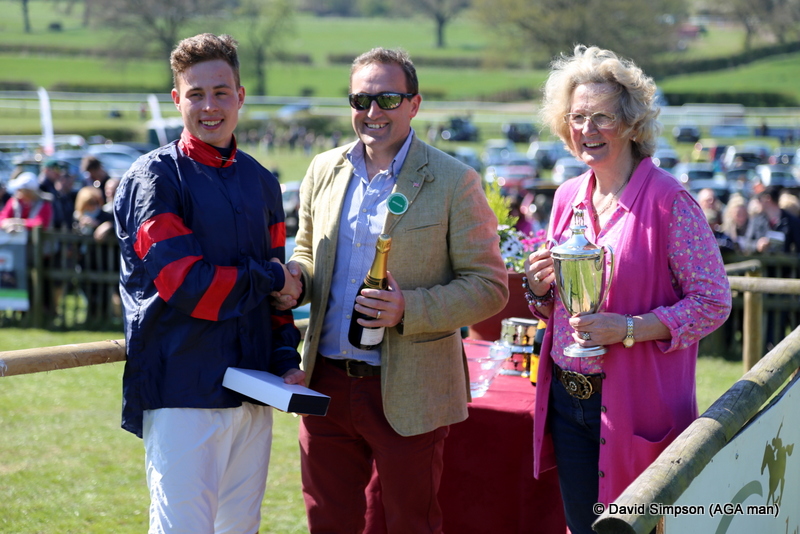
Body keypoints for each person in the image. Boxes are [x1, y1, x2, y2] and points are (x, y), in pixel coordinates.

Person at [284, 47, 508, 533]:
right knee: (328, 522)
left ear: (415, 104)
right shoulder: (323, 169)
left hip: (412, 388)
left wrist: (409, 308)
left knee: (410, 523)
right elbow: (306, 252)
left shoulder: (454, 181)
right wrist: (295, 280)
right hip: (324, 382)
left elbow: (489, 287)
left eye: (388, 99)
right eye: (360, 100)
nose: (372, 113)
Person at [524, 45, 731, 534]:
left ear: (632, 123)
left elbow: (713, 301)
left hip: (639, 407)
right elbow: (563, 305)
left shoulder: (669, 202)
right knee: (581, 527)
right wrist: (538, 289)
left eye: (602, 117)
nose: (587, 130)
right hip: (568, 404)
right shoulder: (566, 197)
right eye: (577, 118)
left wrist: (630, 329)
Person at [113, 33, 303, 534]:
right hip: (182, 391)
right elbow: (187, 284)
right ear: (177, 99)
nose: (209, 106)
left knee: (240, 529)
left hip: (253, 390)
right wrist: (270, 278)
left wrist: (285, 358)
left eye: (221, 92)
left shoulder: (261, 180)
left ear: (240, 95)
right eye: (196, 94)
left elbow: (278, 299)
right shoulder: (153, 178)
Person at [741, 185, 800, 254]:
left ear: (767, 198)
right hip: (761, 263)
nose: (757, 203)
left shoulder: (792, 221)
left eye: (759, 199)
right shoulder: (756, 220)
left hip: (784, 263)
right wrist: (757, 245)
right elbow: (746, 243)